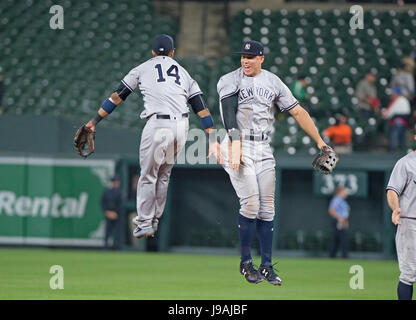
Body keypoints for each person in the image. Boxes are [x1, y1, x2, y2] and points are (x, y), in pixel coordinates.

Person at [80, 34, 221, 239]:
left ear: (153, 52)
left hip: (158, 125)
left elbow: (117, 97)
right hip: (182, 127)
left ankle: (145, 222)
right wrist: (212, 139)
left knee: (148, 175)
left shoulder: (142, 69)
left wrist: (94, 121)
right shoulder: (184, 73)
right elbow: (202, 109)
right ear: (172, 53)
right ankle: (154, 220)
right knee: (163, 174)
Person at [216, 40, 329, 285]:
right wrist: (235, 144)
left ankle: (266, 266)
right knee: (251, 204)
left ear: (261, 58)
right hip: (238, 142)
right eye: (243, 55)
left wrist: (320, 141)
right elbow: (227, 109)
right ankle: (246, 262)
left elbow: (298, 111)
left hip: (263, 146)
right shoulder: (229, 79)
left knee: (267, 208)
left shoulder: (273, 81)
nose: (245, 60)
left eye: (251, 56)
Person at [386, 130, 416, 300]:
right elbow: (392, 191)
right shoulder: (405, 163)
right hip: (410, 223)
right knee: (409, 274)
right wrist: (395, 208)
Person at [382, 87, 412, 152]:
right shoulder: (404, 99)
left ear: (397, 94)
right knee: (402, 137)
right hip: (404, 121)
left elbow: (390, 112)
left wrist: (384, 115)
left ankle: (393, 151)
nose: (393, 95)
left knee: (394, 136)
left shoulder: (398, 100)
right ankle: (402, 151)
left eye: (394, 93)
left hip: (398, 121)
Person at [101, 175, 123, 250]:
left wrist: (115, 213)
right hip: (109, 214)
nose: (114, 183)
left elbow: (121, 204)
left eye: (115, 181)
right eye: (113, 182)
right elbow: (102, 203)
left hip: (117, 215)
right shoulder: (107, 192)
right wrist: (107, 212)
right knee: (107, 232)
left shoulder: (120, 192)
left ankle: (118, 248)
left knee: (118, 233)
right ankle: (106, 247)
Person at [328, 187, 350, 259]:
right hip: (338, 222)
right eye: (345, 192)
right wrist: (339, 218)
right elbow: (331, 210)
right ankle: (343, 256)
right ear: (340, 192)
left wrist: (346, 221)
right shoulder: (337, 199)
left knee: (338, 238)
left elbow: (345, 213)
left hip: (342, 221)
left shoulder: (343, 201)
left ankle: (333, 255)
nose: (346, 194)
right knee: (342, 238)